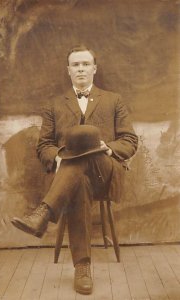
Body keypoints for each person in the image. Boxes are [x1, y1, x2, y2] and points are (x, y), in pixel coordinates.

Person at [11, 45, 138, 295]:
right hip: (72, 182)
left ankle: (43, 213)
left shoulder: (114, 100)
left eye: (85, 64)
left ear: (94, 69)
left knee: (86, 139)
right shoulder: (54, 105)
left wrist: (107, 148)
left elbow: (130, 141)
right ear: (68, 71)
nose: (81, 69)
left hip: (105, 172)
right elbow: (44, 145)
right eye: (76, 65)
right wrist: (58, 158)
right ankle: (83, 267)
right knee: (77, 173)